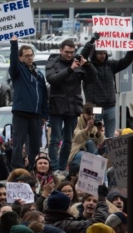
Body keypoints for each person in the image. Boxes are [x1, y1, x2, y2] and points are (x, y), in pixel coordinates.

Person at [46, 39, 97, 174]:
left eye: (71, 52)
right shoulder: (53, 62)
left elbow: (92, 79)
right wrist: (70, 69)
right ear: (61, 50)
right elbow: (52, 79)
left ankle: (62, 168)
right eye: (67, 52)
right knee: (55, 139)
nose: (69, 55)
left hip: (73, 106)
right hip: (57, 106)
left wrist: (87, 66)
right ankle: (55, 167)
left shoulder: (78, 62)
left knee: (68, 140)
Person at [80, 36, 133, 138]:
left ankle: (109, 154)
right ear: (94, 54)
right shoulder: (87, 67)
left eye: (104, 53)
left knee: (110, 138)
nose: (103, 56)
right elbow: (82, 56)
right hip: (95, 107)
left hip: (110, 106)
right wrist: (91, 41)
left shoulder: (110, 65)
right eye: (100, 53)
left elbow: (126, 61)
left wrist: (131, 44)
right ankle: (96, 154)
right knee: (95, 135)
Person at [9, 35, 48, 170]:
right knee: (18, 143)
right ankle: (17, 168)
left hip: (36, 115)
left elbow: (44, 94)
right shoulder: (18, 71)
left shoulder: (39, 74)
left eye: (31, 55)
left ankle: (33, 168)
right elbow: (13, 63)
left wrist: (44, 114)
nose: (30, 58)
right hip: (21, 112)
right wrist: (14, 44)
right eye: (26, 55)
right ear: (20, 58)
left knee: (35, 145)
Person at [67, 103, 105, 168]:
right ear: (83, 113)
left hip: (90, 151)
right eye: (89, 114)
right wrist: (87, 129)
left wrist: (99, 131)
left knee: (101, 161)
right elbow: (75, 138)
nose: (91, 117)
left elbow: (100, 142)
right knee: (89, 158)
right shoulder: (76, 120)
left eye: (93, 114)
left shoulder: (94, 122)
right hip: (75, 150)